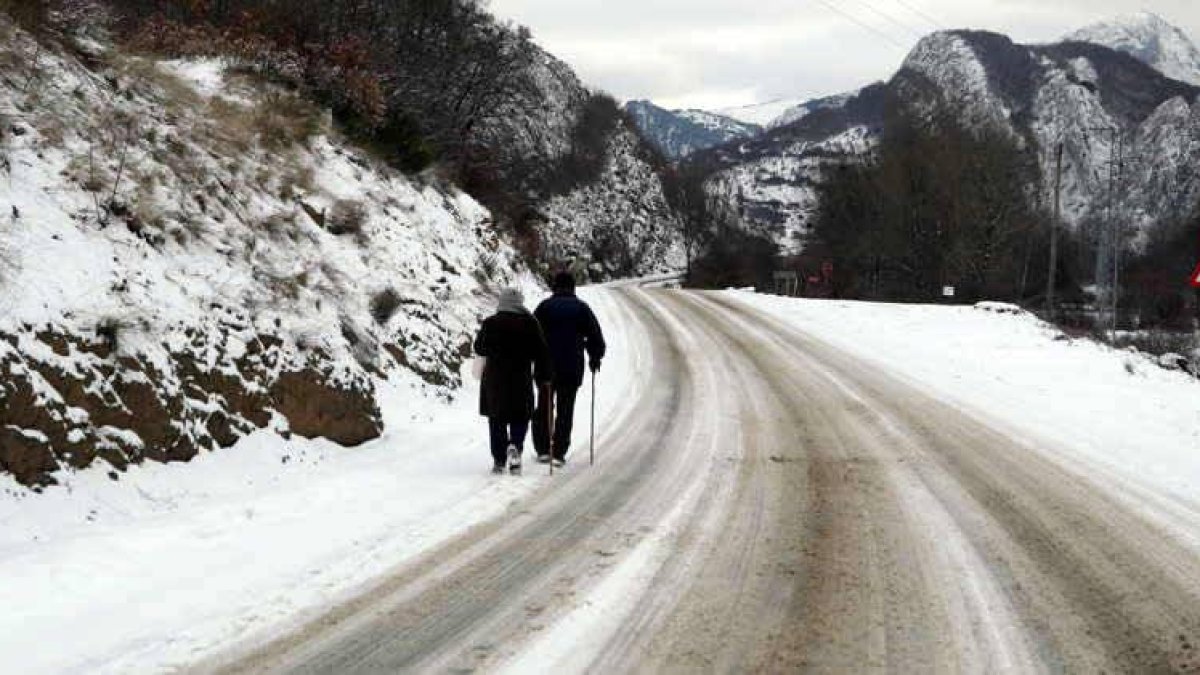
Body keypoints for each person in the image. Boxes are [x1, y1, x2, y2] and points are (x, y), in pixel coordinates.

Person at [474, 287, 552, 474]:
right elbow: (541, 352)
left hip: (494, 380)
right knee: (521, 415)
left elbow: (479, 348)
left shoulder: (490, 323)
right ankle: (515, 444)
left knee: (497, 418)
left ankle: (499, 460)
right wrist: (545, 376)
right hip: (520, 378)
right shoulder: (530, 324)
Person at [533, 272, 606, 467]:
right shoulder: (582, 309)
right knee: (566, 409)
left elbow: (532, 334)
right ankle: (558, 452)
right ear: (573, 288)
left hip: (545, 366)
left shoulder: (545, 307)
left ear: (555, 287)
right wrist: (595, 357)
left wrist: (531, 357)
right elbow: (595, 336)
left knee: (544, 407)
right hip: (571, 368)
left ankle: (542, 449)